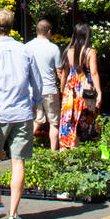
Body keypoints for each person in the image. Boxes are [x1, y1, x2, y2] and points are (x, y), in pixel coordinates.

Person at [0, 7, 43, 219]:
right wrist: (34, 104)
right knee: (18, 161)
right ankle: (13, 215)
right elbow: (38, 83)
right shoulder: (24, 51)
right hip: (22, 112)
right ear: (12, 26)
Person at [57, 22, 101, 150]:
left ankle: (67, 148)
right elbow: (94, 73)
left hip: (70, 90)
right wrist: (99, 91)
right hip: (86, 90)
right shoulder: (90, 52)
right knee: (86, 120)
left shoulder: (67, 51)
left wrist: (62, 90)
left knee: (69, 120)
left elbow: (64, 74)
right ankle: (86, 149)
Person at [24, 19, 63, 151]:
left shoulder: (27, 47)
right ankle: (53, 152)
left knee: (37, 120)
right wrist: (62, 88)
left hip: (33, 90)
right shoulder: (54, 48)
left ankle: (25, 146)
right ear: (49, 32)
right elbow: (59, 71)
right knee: (54, 122)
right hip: (50, 89)